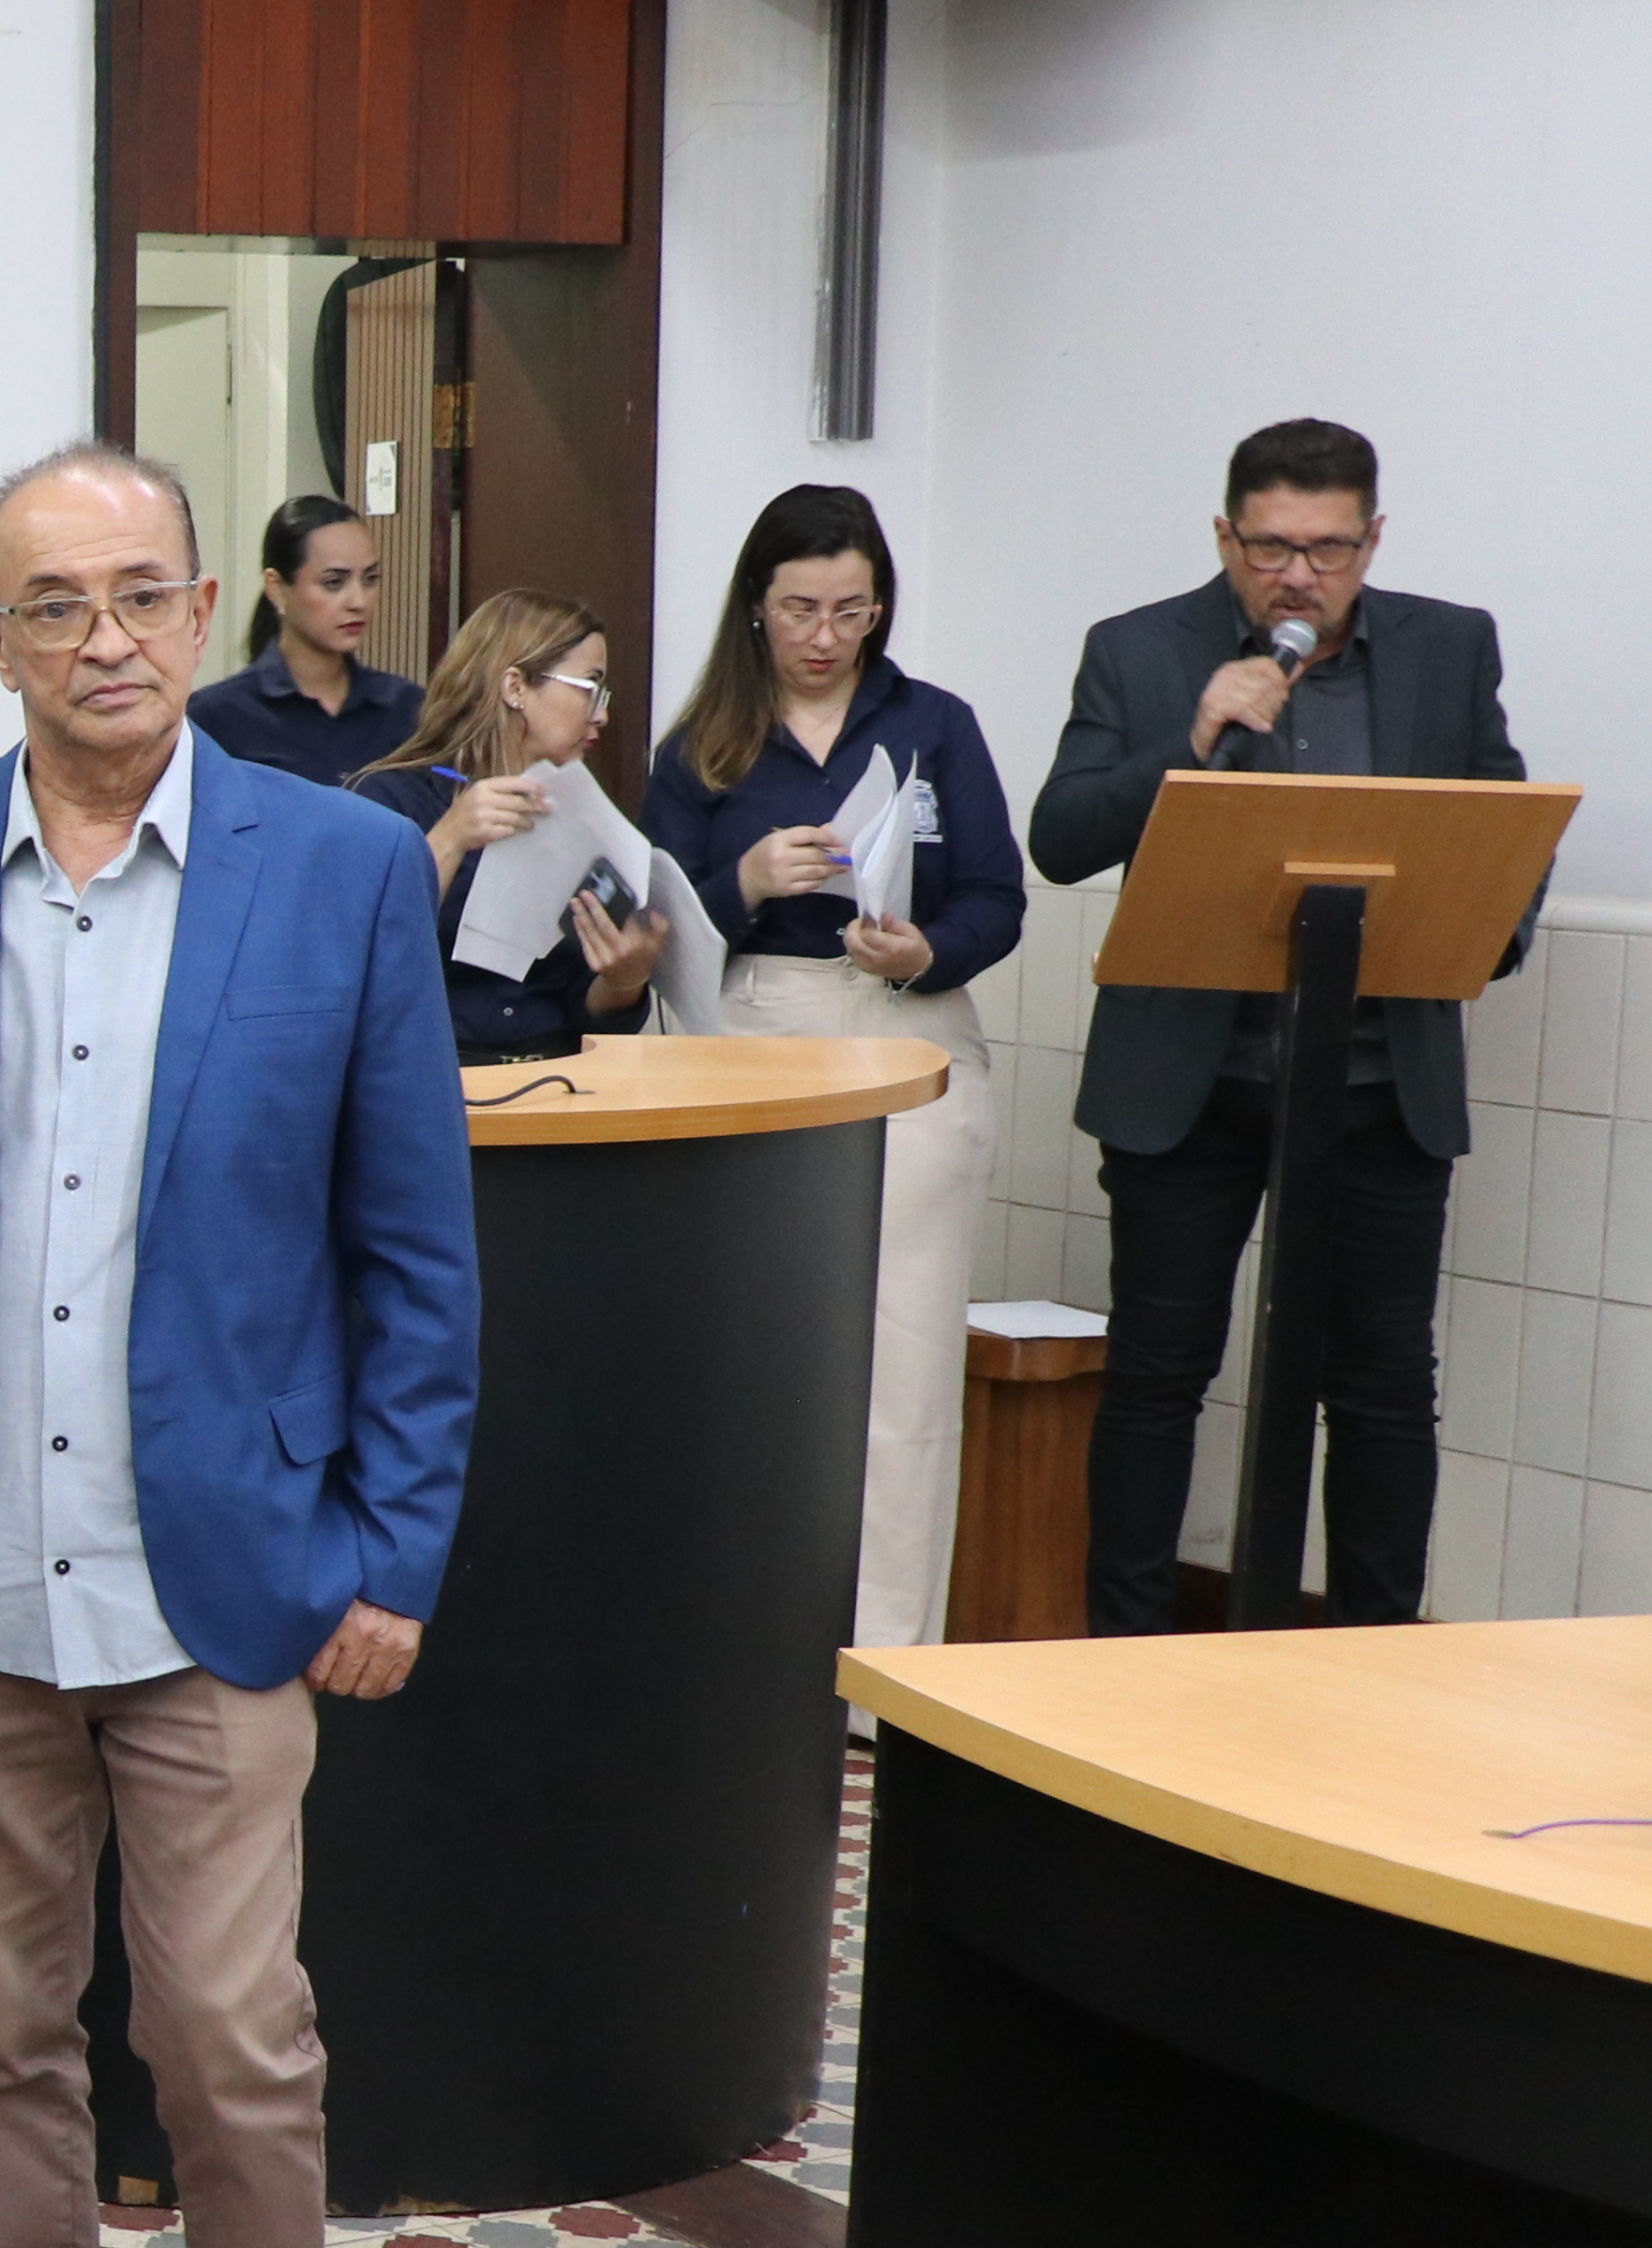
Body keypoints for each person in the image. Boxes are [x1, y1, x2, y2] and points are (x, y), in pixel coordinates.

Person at [0, 444, 477, 2248]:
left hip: (224, 1566)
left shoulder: (342, 868)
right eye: (53, 602)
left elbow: (415, 1244)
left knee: (227, 2033)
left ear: (207, 609)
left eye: (139, 593)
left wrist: (394, 1546)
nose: (103, 637)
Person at [1029, 418, 1527, 1631]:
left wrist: (1484, 927)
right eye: (1270, 548)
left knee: (1383, 1389)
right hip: (1191, 1084)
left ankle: (1371, 1661)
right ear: (1225, 536)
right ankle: (1126, 1669)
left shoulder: (1449, 648)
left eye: (1328, 549)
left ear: (1373, 539)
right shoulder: (1140, 650)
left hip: (1376, 1083)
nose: (1299, 576)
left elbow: (1503, 818)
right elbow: (1062, 836)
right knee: (1156, 1379)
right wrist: (1193, 736)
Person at [643, 487, 1022, 1658]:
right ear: (756, 607)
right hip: (761, 1024)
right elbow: (656, 929)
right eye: (801, 608)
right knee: (753, 1351)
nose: (825, 634)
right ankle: (744, 1652)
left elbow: (998, 897)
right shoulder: (700, 743)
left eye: (852, 610)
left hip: (907, 1024)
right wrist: (744, 884)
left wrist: (926, 950)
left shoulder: (936, 724)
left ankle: (886, 1669)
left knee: (908, 1362)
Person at [344, 590, 664, 1062]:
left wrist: (623, 979)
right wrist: (451, 838)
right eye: (589, 687)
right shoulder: (390, 799)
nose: (602, 715)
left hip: (558, 1073)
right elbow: (359, 952)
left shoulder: (578, 813)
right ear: (516, 688)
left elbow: (588, 1011)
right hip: (433, 1071)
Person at [186, 495, 417, 787]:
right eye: (334, 583)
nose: (358, 601)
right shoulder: (217, 717)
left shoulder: (408, 708)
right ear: (276, 587)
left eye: (370, 579)